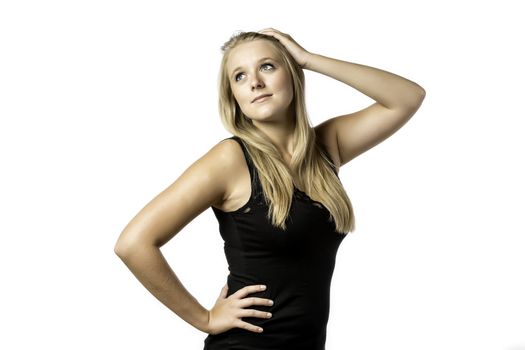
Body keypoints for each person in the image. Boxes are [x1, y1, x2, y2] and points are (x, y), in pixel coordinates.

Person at [114, 28, 425, 350]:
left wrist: (308, 59)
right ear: (233, 95)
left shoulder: (325, 147)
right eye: (239, 76)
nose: (255, 82)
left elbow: (406, 98)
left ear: (291, 73)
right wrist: (204, 318)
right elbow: (134, 243)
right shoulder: (229, 159)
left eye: (267, 66)